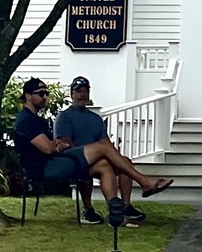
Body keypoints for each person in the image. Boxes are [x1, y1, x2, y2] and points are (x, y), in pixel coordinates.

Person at [11, 79, 173, 210]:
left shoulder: (37, 119)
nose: (44, 97)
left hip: (56, 162)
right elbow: (48, 148)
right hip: (44, 168)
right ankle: (145, 182)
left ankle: (116, 209)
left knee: (105, 165)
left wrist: (57, 145)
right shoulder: (26, 120)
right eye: (40, 94)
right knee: (103, 146)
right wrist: (59, 145)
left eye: (46, 93)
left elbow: (54, 144)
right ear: (28, 96)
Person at [54, 76, 149, 223]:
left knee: (125, 162)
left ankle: (125, 206)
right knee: (104, 165)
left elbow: (105, 143)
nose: (82, 95)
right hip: (75, 161)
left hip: (99, 159)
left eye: (85, 91)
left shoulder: (96, 119)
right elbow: (65, 144)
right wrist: (89, 155)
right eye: (78, 91)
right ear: (72, 94)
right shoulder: (64, 117)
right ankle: (90, 210)